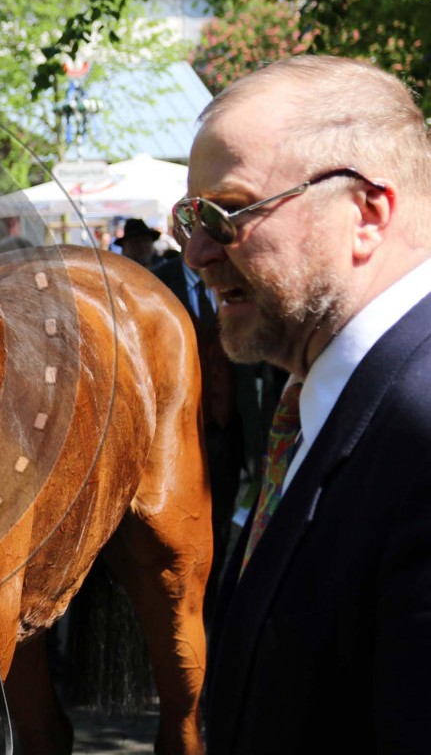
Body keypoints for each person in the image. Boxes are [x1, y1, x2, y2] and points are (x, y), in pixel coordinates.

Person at [176, 55, 431, 754]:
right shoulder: (325, 401)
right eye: (188, 217)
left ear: (366, 214)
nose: (197, 251)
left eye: (227, 212)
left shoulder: (418, 429)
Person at [152, 255, 267, 613]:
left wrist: (255, 446)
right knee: (179, 530)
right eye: (190, 228)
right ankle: (181, 605)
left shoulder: (234, 275)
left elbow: (245, 378)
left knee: (220, 525)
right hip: (177, 438)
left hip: (227, 434)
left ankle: (211, 607)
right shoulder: (157, 282)